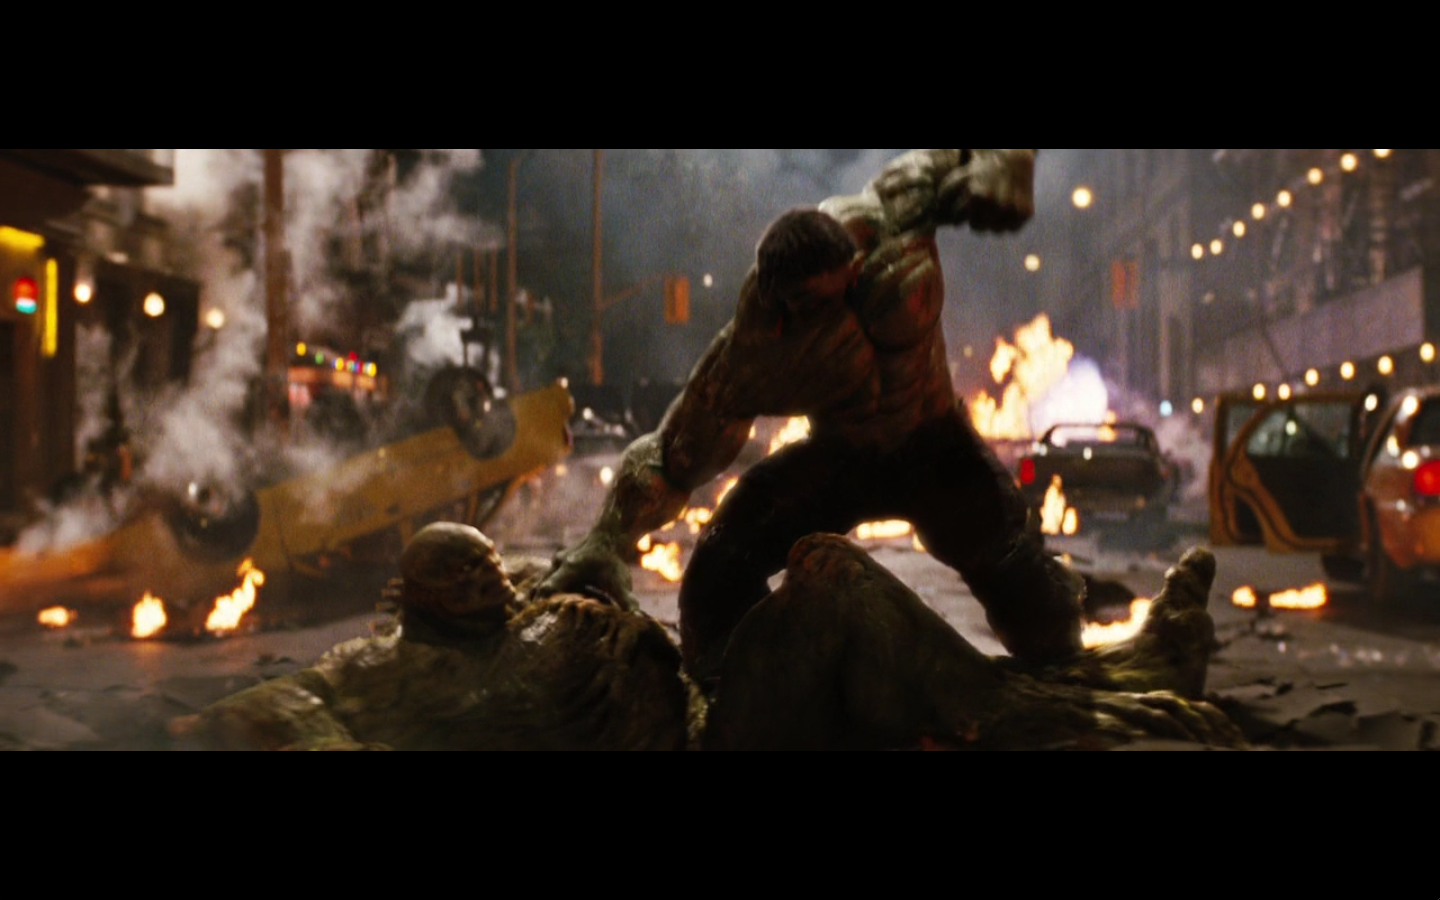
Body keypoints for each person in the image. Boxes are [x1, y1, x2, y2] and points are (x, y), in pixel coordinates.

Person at [538, 149, 1087, 690]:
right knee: (719, 570)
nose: (819, 313)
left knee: (1031, 593)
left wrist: (1008, 162)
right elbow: (676, 452)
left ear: (854, 263)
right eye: (802, 305)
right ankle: (735, 695)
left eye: (830, 293)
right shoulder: (755, 346)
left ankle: (1062, 687)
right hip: (840, 460)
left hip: (935, 444)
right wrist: (609, 538)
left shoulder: (895, 211)